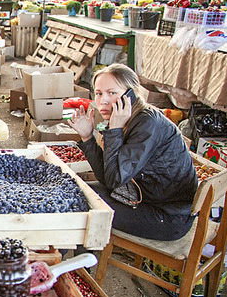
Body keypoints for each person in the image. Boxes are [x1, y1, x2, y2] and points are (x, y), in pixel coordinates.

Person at [69, 64, 197, 241]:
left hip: (167, 217)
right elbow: (107, 178)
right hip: (142, 197)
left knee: (78, 203)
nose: (103, 100)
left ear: (131, 95)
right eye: (98, 93)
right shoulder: (130, 119)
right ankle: (71, 262)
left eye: (112, 93)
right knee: (77, 190)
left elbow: (114, 180)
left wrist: (114, 130)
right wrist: (87, 137)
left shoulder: (147, 124)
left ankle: (74, 265)